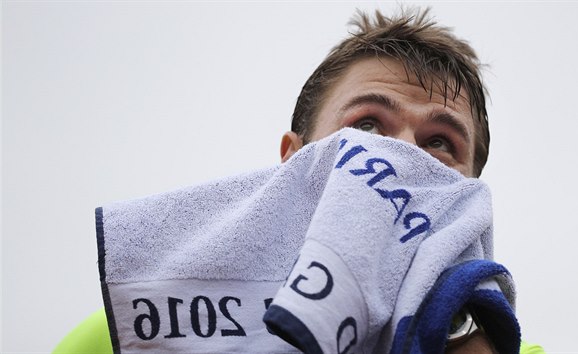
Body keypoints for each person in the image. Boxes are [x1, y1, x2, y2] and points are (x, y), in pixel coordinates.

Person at [54, 7, 544, 354]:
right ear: (294, 158)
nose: (402, 154)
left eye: (440, 143)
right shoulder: (142, 326)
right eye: (367, 126)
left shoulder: (507, 348)